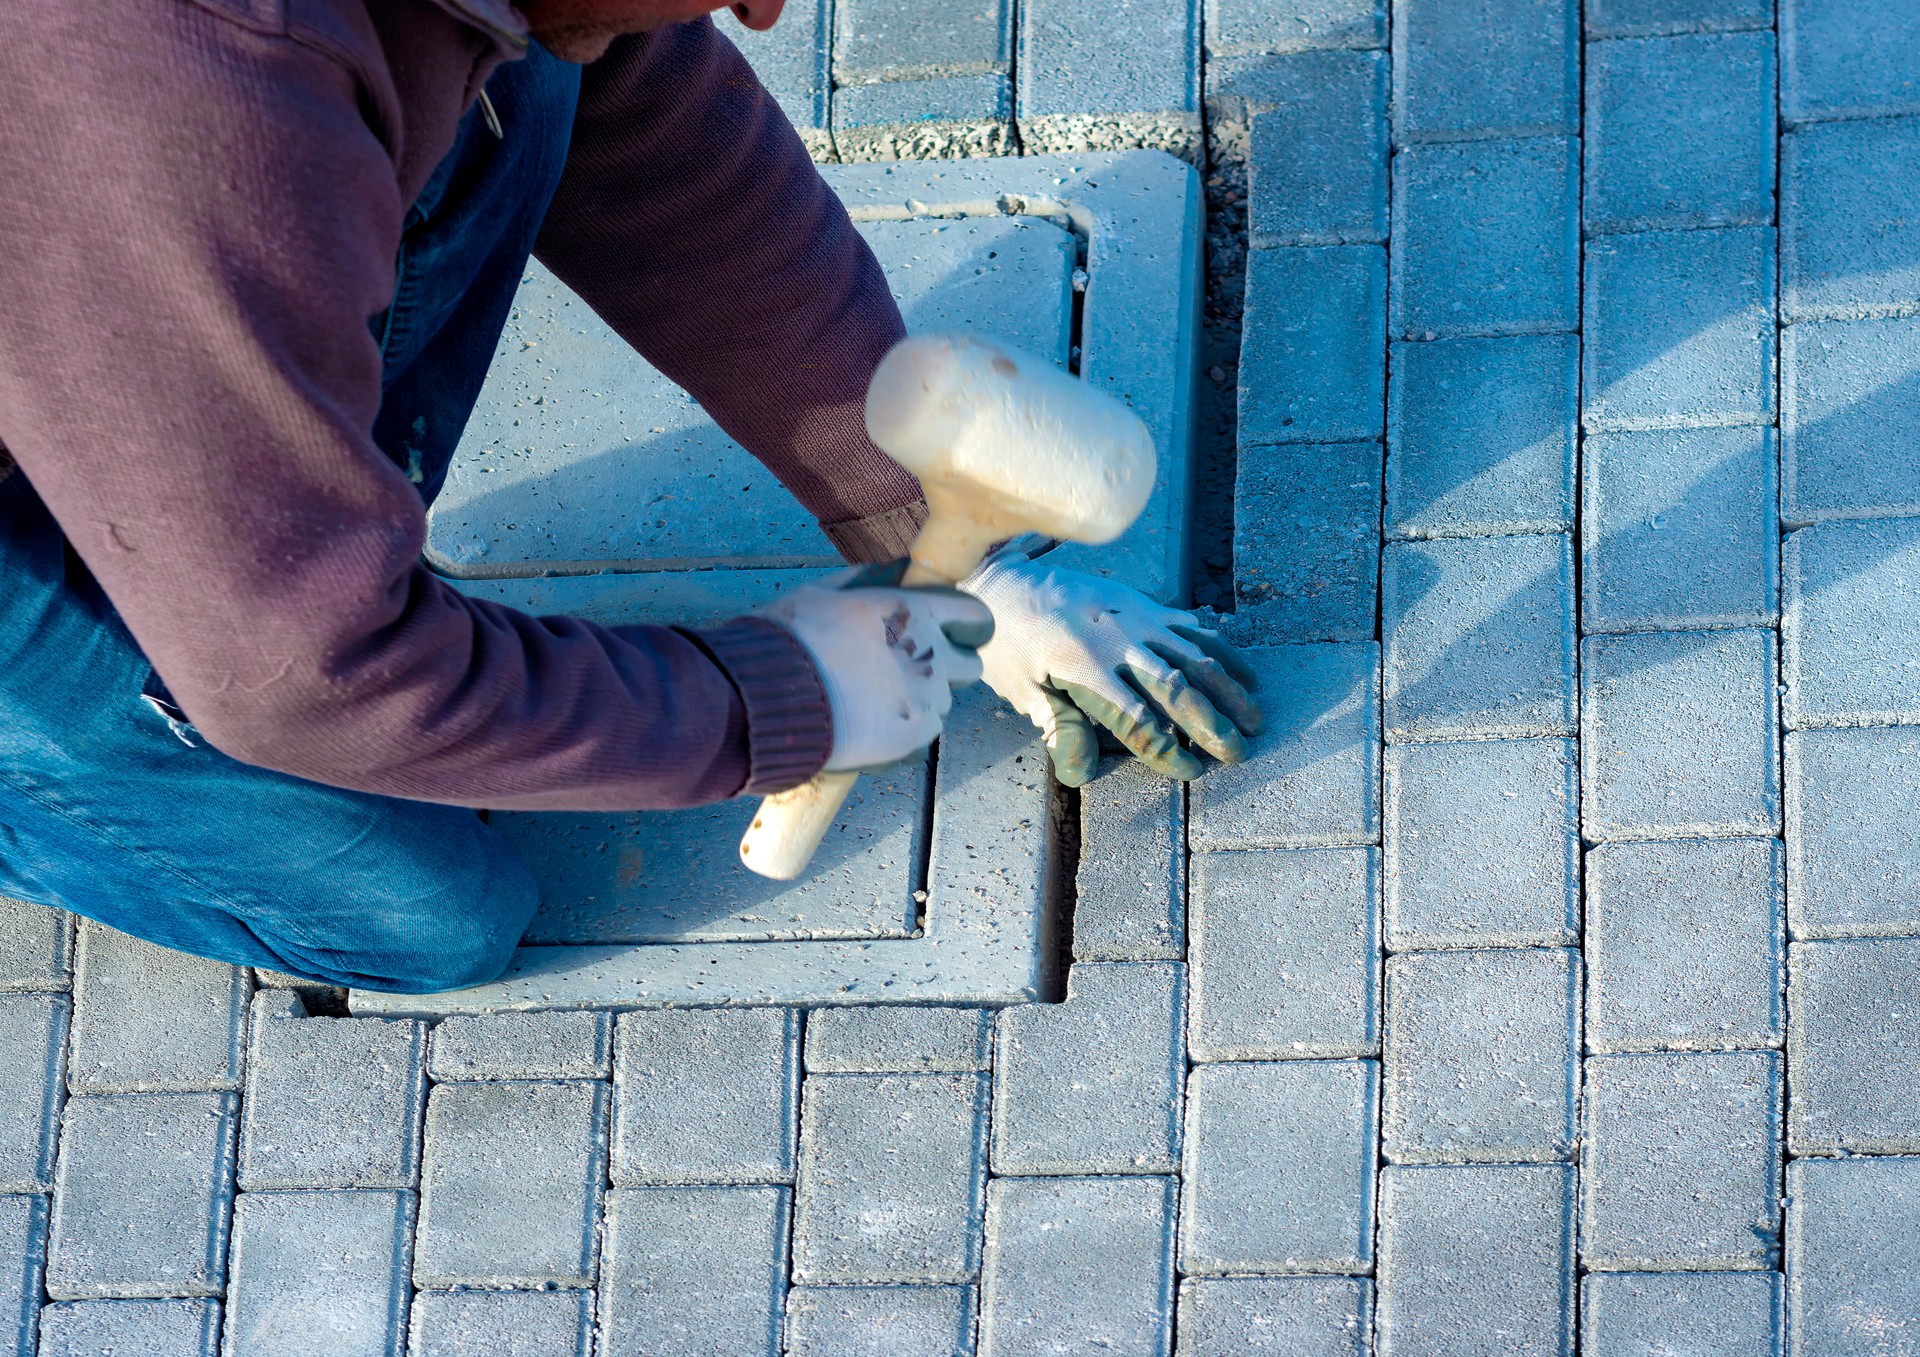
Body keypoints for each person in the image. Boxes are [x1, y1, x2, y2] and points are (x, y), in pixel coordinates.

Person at [0, 0, 1262, 993]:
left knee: (542, 68)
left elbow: (667, 144)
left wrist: (967, 554)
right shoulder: (182, 98)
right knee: (431, 917)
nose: (768, 14)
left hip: (121, 275)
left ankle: (218, 494)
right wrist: (779, 695)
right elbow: (308, 672)